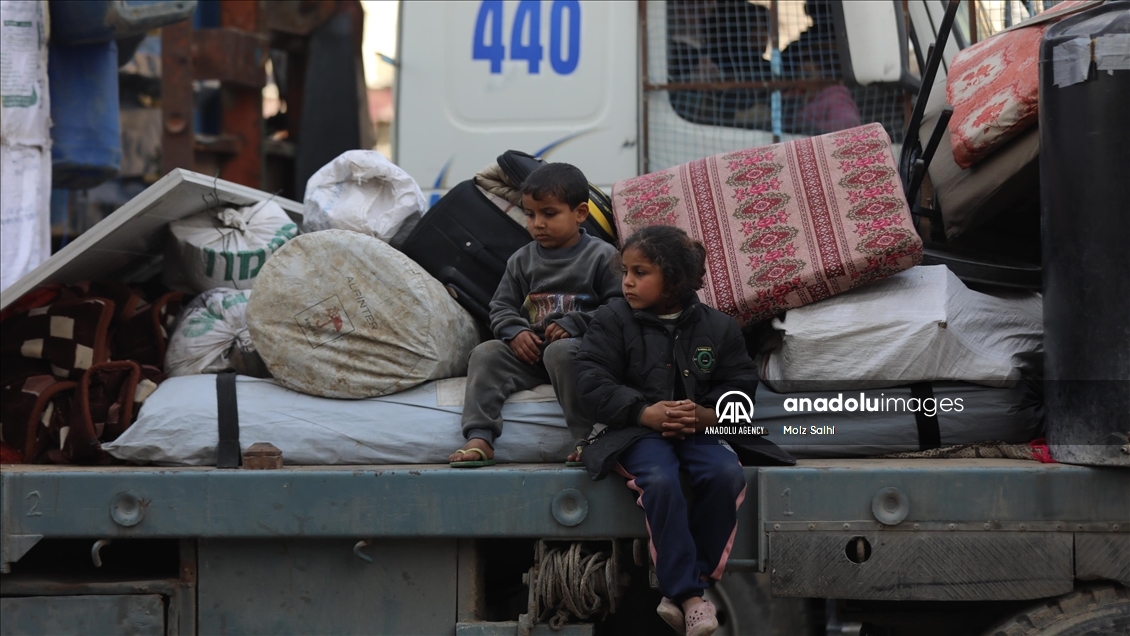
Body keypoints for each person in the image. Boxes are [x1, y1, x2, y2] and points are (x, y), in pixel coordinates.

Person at [574, 226, 794, 635]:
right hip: (635, 434)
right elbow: (590, 382)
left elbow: (741, 386)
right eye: (625, 270)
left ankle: (685, 591)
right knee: (659, 480)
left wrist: (707, 416)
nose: (627, 281)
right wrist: (643, 412)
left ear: (673, 280)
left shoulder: (720, 327)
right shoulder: (612, 320)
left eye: (640, 272)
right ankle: (693, 598)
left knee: (725, 474)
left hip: (702, 431)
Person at [449, 163, 621, 467]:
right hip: (531, 355)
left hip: (579, 353)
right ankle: (480, 437)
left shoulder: (602, 256)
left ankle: (589, 439)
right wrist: (515, 332)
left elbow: (620, 306)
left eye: (549, 214)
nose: (536, 223)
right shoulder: (521, 260)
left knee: (561, 351)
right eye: (530, 214)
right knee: (485, 353)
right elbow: (500, 306)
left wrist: (576, 323)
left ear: (580, 212)